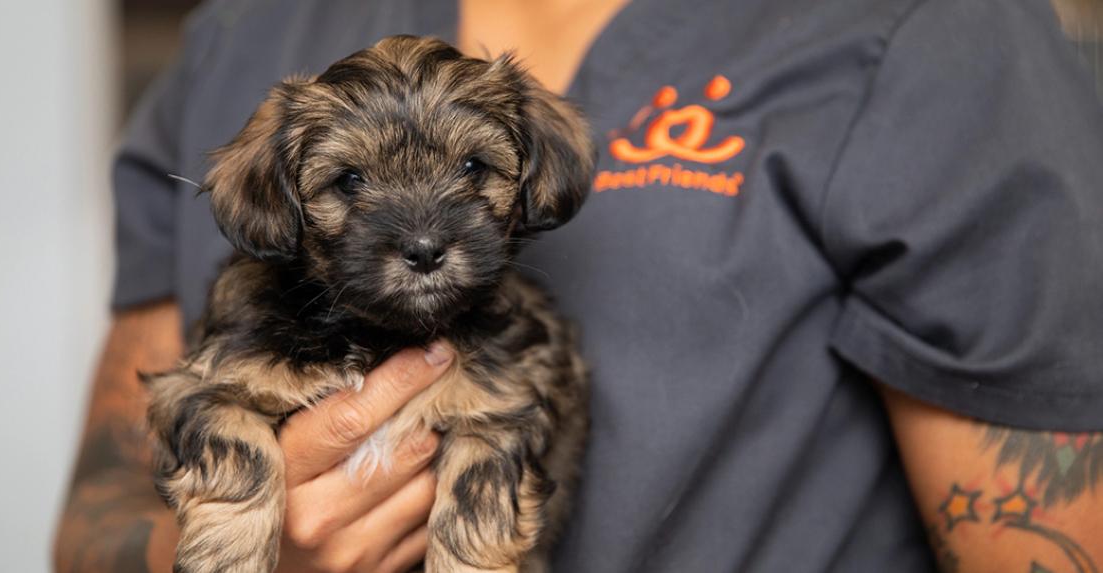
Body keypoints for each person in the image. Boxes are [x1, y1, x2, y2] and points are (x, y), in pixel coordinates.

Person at [54, 0, 1103, 571]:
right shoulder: (238, 35)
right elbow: (92, 517)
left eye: (473, 173)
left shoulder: (924, 31)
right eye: (348, 185)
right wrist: (221, 549)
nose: (421, 236)